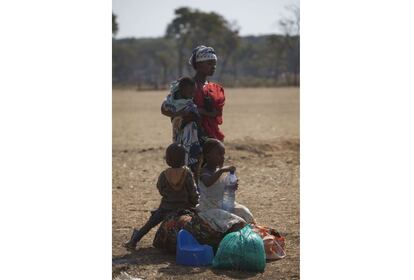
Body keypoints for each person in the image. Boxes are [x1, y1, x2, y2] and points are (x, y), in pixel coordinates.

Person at [123, 143, 199, 250]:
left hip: (165, 208)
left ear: (167, 159)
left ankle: (134, 240)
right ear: (184, 159)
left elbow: (160, 188)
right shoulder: (187, 174)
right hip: (183, 209)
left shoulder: (164, 174)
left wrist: (168, 195)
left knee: (149, 224)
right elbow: (193, 191)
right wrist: (194, 202)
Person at [161, 45, 225, 141]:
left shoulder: (216, 89)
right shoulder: (184, 85)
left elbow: (217, 112)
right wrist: (182, 112)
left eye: (214, 64)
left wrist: (197, 110)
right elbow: (165, 108)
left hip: (212, 136)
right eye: (209, 63)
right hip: (188, 138)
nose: (213, 67)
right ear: (198, 65)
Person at [196, 138, 255, 233]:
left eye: (223, 154)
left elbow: (221, 189)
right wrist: (222, 170)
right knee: (234, 221)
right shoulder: (205, 172)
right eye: (219, 154)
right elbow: (208, 183)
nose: (222, 157)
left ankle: (249, 232)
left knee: (245, 212)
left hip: (224, 204)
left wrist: (231, 188)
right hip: (209, 208)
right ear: (208, 156)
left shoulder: (218, 171)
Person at [162, 77, 202, 170]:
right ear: (182, 90)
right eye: (190, 92)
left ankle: (188, 172)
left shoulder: (189, 103)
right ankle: (183, 172)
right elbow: (163, 110)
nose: (192, 95)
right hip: (179, 131)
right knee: (180, 152)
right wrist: (177, 114)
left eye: (194, 92)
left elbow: (195, 117)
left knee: (191, 153)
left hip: (190, 134)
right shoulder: (172, 100)